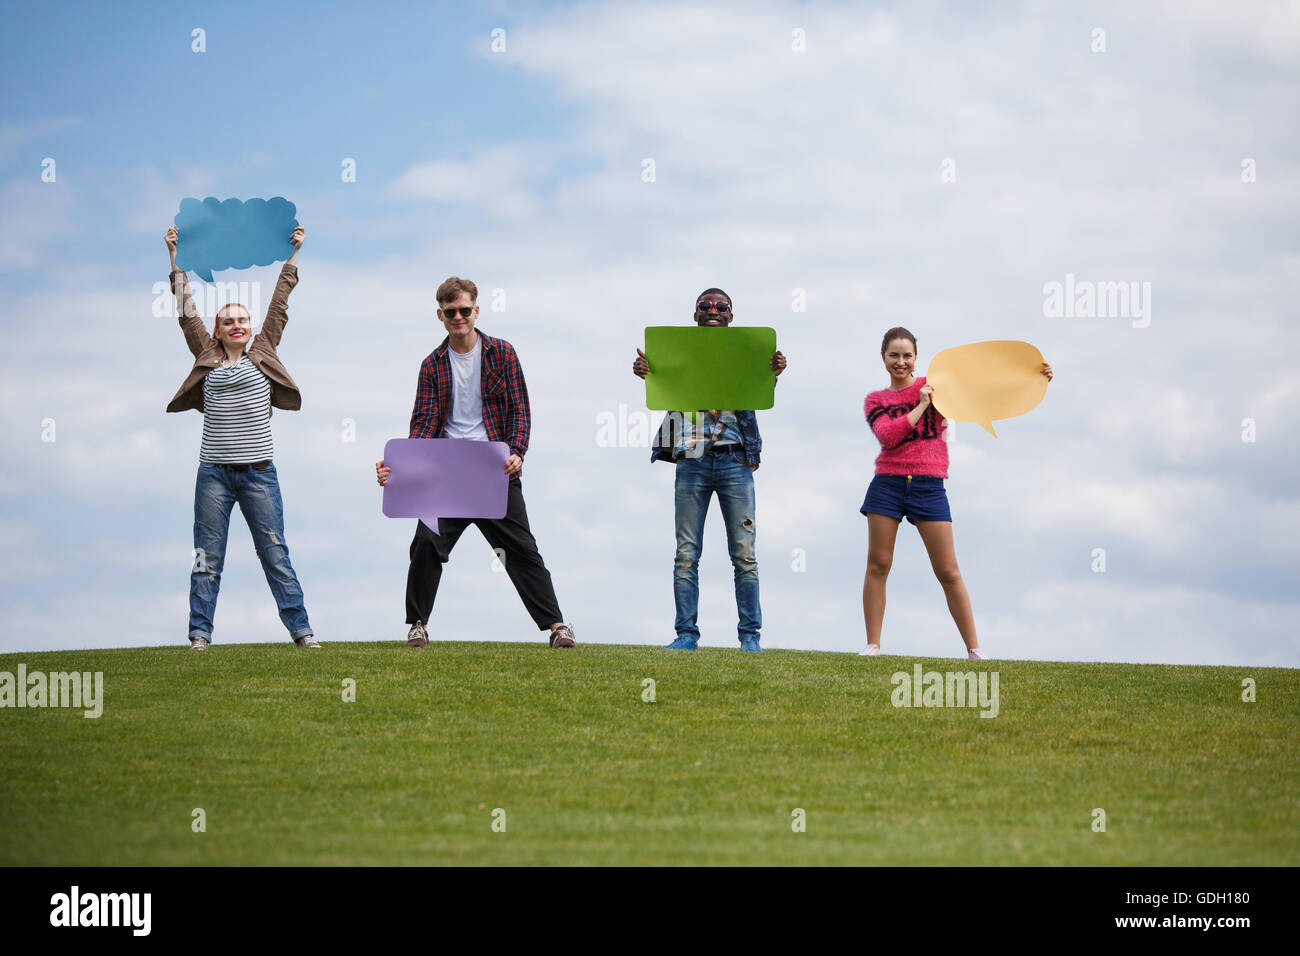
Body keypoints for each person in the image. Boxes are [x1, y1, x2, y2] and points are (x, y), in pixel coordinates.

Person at [375, 277, 576, 649]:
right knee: (425, 544)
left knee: (521, 550)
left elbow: (520, 411)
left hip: (494, 472)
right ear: (440, 314)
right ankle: (417, 626)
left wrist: (517, 451)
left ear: (476, 311)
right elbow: (423, 422)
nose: (458, 317)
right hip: (446, 475)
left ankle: (558, 627)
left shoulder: (502, 353)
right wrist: (398, 465)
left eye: (464, 310)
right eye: (450, 312)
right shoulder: (432, 364)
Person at [165, 224, 318, 650]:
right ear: (215, 331)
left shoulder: (263, 352)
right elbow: (185, 308)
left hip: (259, 474)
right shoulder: (206, 357)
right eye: (228, 321)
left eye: (242, 320)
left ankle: (302, 633)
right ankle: (199, 636)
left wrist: (294, 255)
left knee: (274, 553)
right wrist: (174, 258)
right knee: (207, 559)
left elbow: (280, 303)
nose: (236, 324)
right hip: (213, 475)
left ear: (251, 328)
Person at [860, 327, 1053, 659]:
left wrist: (1034, 376)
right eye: (894, 355)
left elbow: (985, 385)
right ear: (883, 359)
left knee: (948, 571)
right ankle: (873, 646)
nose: (901, 362)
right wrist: (921, 406)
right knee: (878, 564)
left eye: (907, 356)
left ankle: (974, 650)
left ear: (916, 359)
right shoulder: (876, 400)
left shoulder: (936, 387)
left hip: (929, 486)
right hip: (888, 485)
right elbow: (888, 435)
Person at [632, 288, 786, 652]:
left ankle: (750, 637)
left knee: (744, 554)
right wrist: (647, 372)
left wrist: (774, 371)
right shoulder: (680, 355)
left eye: (721, 307)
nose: (713, 310)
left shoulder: (747, 354)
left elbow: (762, 387)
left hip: (735, 460)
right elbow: (661, 383)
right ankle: (686, 634)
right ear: (695, 314)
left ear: (732, 315)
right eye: (705, 306)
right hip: (692, 459)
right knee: (686, 553)